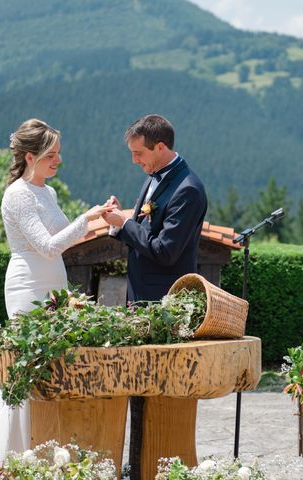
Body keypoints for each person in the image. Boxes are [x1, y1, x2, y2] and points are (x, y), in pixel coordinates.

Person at [0, 119, 109, 478]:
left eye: (58, 154)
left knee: (51, 362)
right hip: (28, 283)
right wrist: (87, 218)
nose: (58, 161)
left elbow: (65, 236)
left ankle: (44, 449)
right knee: (27, 366)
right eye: (51, 155)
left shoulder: (48, 192)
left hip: (54, 280)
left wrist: (105, 222)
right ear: (31, 156)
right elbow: (46, 246)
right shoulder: (17, 195)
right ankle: (10, 457)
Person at [102, 114, 207, 480]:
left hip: (163, 305)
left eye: (138, 153)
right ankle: (138, 465)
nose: (135, 160)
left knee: (159, 395)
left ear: (160, 147)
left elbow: (164, 251)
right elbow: (144, 228)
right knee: (136, 390)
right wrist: (120, 223)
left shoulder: (188, 189)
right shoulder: (155, 179)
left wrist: (123, 224)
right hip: (140, 300)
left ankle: (158, 466)